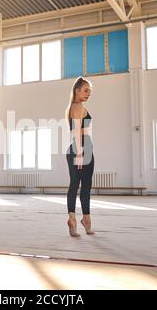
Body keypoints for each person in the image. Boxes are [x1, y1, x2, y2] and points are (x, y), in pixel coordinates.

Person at [65, 77, 95, 237]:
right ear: (77, 90)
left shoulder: (73, 107)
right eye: (85, 90)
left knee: (75, 185)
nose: (88, 93)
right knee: (85, 187)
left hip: (80, 148)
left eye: (89, 91)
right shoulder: (78, 106)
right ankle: (85, 221)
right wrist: (80, 153)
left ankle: (76, 220)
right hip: (82, 149)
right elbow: (76, 130)